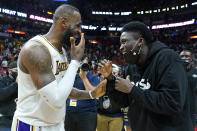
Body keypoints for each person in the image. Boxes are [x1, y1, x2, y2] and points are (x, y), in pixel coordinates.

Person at [11, 4, 107, 131]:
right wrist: (75, 62)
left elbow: (62, 89)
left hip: (56, 124)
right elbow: (56, 100)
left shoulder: (61, 50)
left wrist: (91, 94)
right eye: (77, 25)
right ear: (64, 22)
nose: (80, 31)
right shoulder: (36, 50)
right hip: (32, 125)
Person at [99, 21, 193, 131]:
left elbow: (173, 102)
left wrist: (133, 89)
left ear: (140, 41)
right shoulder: (131, 67)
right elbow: (123, 102)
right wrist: (110, 79)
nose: (120, 47)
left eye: (124, 42)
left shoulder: (168, 59)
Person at [65, 58, 100, 131]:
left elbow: (93, 94)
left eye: (84, 64)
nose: (81, 67)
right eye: (79, 64)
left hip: (87, 114)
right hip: (69, 114)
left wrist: (84, 78)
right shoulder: (70, 76)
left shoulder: (93, 77)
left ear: (88, 66)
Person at [97, 64, 123, 131]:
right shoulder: (101, 80)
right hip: (101, 114)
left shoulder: (121, 83)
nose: (112, 75)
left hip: (117, 115)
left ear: (118, 73)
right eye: (110, 73)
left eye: (114, 73)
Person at [180, 50, 197, 130]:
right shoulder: (175, 71)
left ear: (191, 59)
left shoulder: (196, 71)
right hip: (178, 107)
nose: (184, 58)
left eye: (186, 56)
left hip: (192, 108)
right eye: (182, 56)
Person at [0, 61, 18, 131]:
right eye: (16, 70)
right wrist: (16, 84)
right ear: (9, 71)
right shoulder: (2, 80)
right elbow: (1, 95)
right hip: (5, 121)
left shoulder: (23, 82)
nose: (18, 73)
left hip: (20, 119)